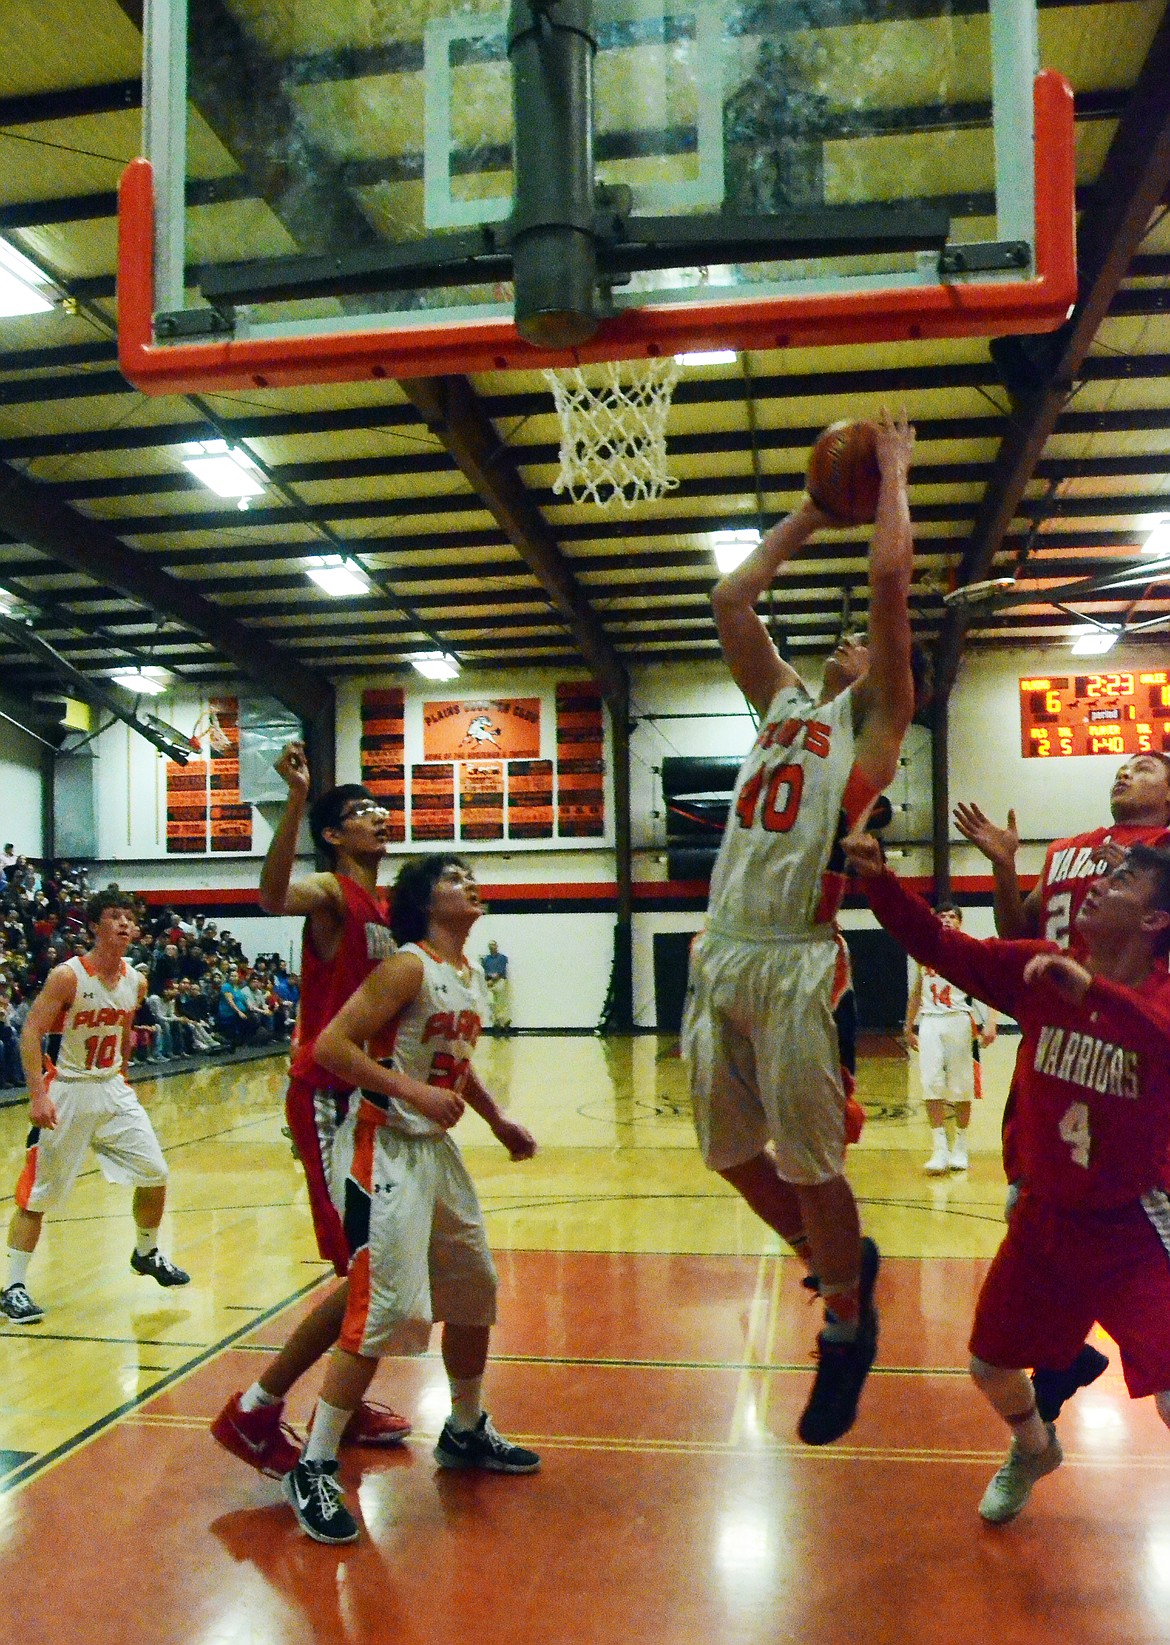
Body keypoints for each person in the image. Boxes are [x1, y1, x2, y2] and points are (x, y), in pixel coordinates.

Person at [680, 409, 917, 1447]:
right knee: (730, 1154)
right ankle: (838, 1264)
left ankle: (845, 1322)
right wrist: (813, 512)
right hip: (718, 948)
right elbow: (732, 596)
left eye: (870, 652)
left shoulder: (876, 732)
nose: (854, 646)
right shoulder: (780, 708)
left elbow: (891, 589)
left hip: (792, 958)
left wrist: (894, 475)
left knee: (816, 1164)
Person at [846, 828, 1170, 1521]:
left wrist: (1099, 995)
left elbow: (1156, 1033)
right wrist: (879, 881)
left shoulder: (1157, 1000)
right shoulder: (1041, 968)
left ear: (1153, 921)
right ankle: (1033, 1444)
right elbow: (941, 945)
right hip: (1046, 1217)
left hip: (1133, 1224)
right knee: (988, 1367)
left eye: (1118, 884)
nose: (1095, 886)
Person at [285, 854, 539, 1543]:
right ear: (427, 899)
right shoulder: (405, 964)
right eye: (456, 876)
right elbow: (332, 1047)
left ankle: (463, 1427)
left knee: (474, 1288)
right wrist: (412, 1092)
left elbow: (452, 1062)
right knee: (382, 1306)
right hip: (384, 1144)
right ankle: (313, 1463)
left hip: (436, 1149)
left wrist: (496, 1119)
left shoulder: (464, 974)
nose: (472, 881)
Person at [211, 743, 411, 1477]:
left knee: (372, 1260)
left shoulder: (390, 908)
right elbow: (269, 898)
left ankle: (345, 1402)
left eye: (379, 809)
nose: (378, 818)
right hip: (327, 1097)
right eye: (361, 812)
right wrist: (295, 798)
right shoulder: (332, 891)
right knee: (362, 1266)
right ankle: (254, 1411)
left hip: (371, 1097)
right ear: (334, 833)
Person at [954, 754, 1170, 1414]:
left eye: (1146, 767)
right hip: (1054, 1046)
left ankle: (1063, 1363)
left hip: (1133, 1055)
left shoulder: (1162, 862)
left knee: (1120, 1214)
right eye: (1122, 767)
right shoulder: (1070, 851)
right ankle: (1050, 1380)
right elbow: (1017, 931)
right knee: (1034, 1201)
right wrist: (1002, 864)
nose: (1125, 773)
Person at [0, 889, 189, 1324]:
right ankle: (12, 1287)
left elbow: (123, 1029)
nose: (124, 923)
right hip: (67, 1089)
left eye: (130, 918)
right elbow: (30, 1033)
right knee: (39, 1194)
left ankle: (146, 1253)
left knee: (155, 1172)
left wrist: (122, 1075)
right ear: (94, 926)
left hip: (111, 1088)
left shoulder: (135, 980)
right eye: (114, 916)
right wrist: (38, 1096)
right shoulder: (68, 976)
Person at [903, 905, 996, 1173]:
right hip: (931, 1021)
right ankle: (939, 1148)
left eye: (952, 916)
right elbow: (918, 991)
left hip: (959, 1019)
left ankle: (961, 1146)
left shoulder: (968, 949)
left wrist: (991, 1021)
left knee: (961, 1087)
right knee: (931, 1084)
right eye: (941, 917)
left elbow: (985, 987)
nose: (946, 920)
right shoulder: (925, 952)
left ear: (960, 922)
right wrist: (909, 1026)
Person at [481, 939, 512, 1032]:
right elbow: (485, 972)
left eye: (493, 945)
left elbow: (501, 971)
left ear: (496, 946)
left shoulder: (502, 958)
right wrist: (489, 979)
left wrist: (494, 978)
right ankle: (497, 1023)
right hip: (489, 983)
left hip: (500, 981)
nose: (492, 947)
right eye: (490, 945)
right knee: (492, 1003)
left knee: (501, 1002)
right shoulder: (486, 959)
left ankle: (505, 1023)